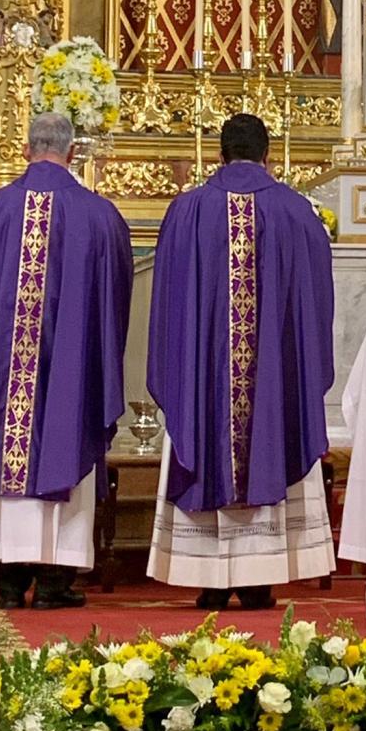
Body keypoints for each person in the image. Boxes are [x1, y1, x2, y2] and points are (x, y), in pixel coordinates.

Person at [0, 113, 133, 609]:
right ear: (72, 153)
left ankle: (6, 580)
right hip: (67, 376)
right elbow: (115, 301)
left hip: (4, 380)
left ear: (26, 150)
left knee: (5, 436)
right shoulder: (98, 215)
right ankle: (53, 582)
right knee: (64, 431)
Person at [147, 113, 335, 608]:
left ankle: (209, 577)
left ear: (219, 154)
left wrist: (182, 367)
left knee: (207, 431)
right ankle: (260, 578)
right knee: (269, 428)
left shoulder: (187, 212)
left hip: (206, 384)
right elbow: (315, 305)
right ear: (268, 155)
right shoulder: (297, 214)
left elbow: (168, 307)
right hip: (270, 387)